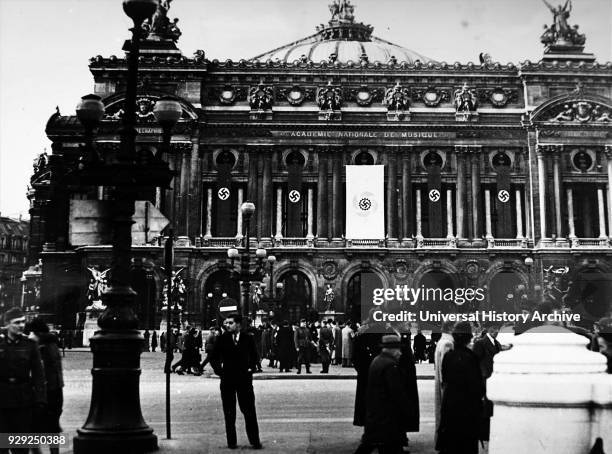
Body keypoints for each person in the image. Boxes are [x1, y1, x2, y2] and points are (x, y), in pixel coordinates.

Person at [210, 314, 262, 450]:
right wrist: (219, 371)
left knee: (249, 410)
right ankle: (231, 442)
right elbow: (213, 357)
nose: (227, 325)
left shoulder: (248, 338)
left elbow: (255, 355)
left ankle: (255, 441)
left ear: (238, 324)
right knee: (229, 412)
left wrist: (251, 367)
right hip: (227, 380)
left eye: (230, 323)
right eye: (226, 323)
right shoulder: (221, 339)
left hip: (244, 379)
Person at [354, 335, 410, 454]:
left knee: (369, 446)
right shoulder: (390, 366)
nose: (400, 353)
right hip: (386, 422)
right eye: (398, 349)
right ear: (391, 350)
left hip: (376, 419)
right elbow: (397, 394)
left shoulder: (377, 361)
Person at [0, 307, 46, 454]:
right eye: (17, 322)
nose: (21, 325)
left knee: (21, 447)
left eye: (23, 322)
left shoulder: (30, 345)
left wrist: (40, 400)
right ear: (7, 324)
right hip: (1, 400)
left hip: (23, 401)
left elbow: (39, 374)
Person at [436, 321, 484, 454]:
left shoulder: (449, 356)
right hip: (467, 409)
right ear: (469, 338)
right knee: (466, 445)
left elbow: (445, 378)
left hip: (450, 405)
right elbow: (476, 386)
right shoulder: (471, 357)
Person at [25, 318, 64, 454]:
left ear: (36, 333)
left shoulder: (41, 348)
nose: (28, 336)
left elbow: (39, 373)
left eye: (30, 333)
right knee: (52, 427)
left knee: (34, 427)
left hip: (45, 392)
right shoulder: (51, 344)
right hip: (56, 391)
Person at [472, 322, 502, 444]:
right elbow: (475, 362)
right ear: (488, 329)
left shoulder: (496, 343)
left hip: (492, 378)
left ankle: (487, 432)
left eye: (498, 328)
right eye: (494, 328)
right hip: (485, 378)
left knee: (489, 406)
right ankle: (484, 433)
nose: (496, 331)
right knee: (486, 407)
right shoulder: (481, 343)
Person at [434, 320, 455, 447]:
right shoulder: (448, 343)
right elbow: (446, 367)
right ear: (451, 328)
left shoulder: (442, 341)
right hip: (446, 385)